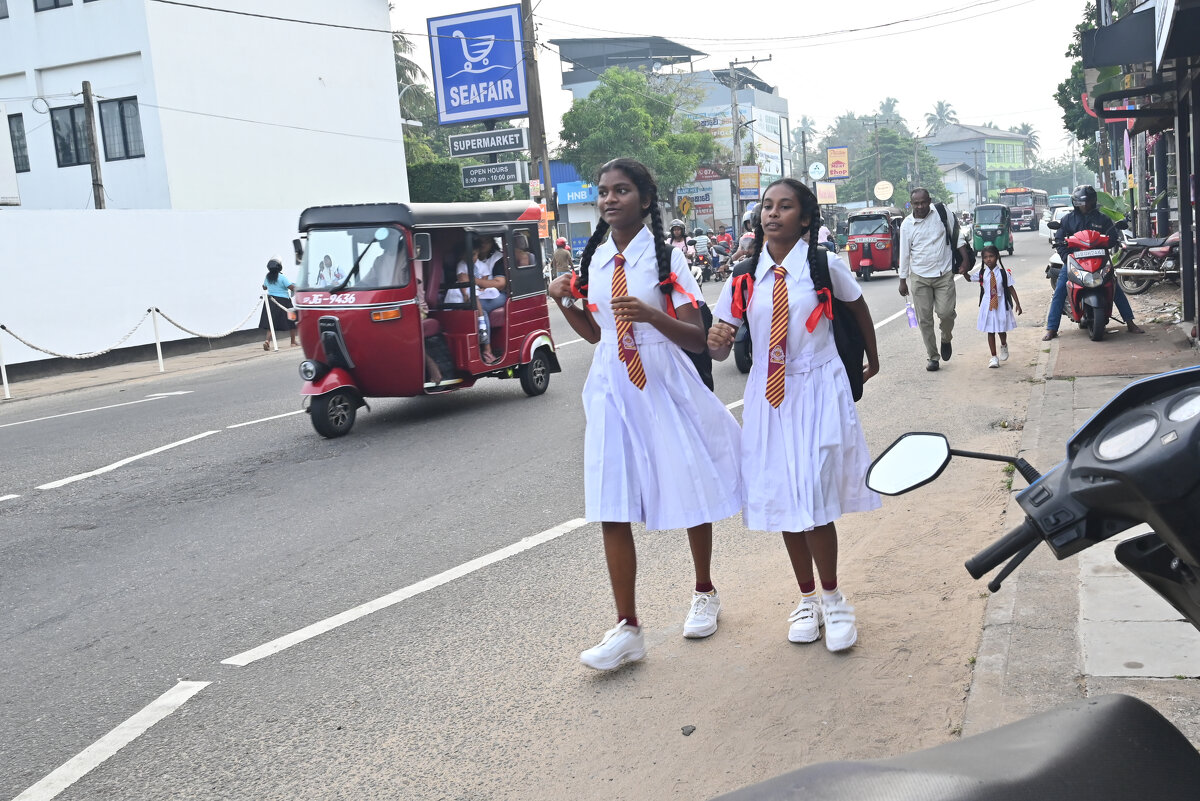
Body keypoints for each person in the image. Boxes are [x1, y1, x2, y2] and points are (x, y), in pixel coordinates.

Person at [546, 158, 743, 671]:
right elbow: (597, 335)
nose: (609, 199)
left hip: (662, 377)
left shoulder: (666, 257)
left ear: (646, 199)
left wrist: (652, 315)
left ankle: (704, 591)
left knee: (688, 482)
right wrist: (565, 304)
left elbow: (697, 338)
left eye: (621, 190)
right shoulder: (593, 259)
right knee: (611, 501)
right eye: (603, 191)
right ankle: (627, 627)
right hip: (611, 384)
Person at [707, 178, 880, 652]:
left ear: (804, 218)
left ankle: (834, 598)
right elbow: (721, 341)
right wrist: (716, 342)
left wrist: (873, 358)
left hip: (818, 386)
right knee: (785, 493)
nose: (772, 213)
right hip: (769, 393)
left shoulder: (824, 265)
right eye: (767, 205)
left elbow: (857, 308)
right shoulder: (744, 275)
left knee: (815, 491)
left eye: (785, 207)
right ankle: (807, 599)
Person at [1043, 185, 1143, 341]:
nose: (1084, 206)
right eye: (1081, 203)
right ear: (1075, 203)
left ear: (1093, 201)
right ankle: (1051, 328)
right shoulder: (1068, 220)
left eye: (1087, 202)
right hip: (1075, 262)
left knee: (1114, 287)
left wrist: (1111, 240)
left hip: (1099, 261)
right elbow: (1059, 240)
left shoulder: (1102, 219)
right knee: (1060, 290)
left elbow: (1112, 237)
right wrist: (1067, 258)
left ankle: (1130, 322)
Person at [898, 188, 973, 372]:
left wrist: (965, 260)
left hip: (943, 274)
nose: (920, 206)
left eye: (923, 202)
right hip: (919, 277)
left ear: (929, 201)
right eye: (916, 203)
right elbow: (904, 253)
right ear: (911, 204)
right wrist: (902, 280)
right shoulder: (907, 225)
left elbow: (956, 235)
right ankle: (933, 357)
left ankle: (946, 338)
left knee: (946, 313)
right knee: (924, 320)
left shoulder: (941, 212)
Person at [443, 240, 497, 364]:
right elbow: (462, 281)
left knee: (484, 293)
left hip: (479, 290)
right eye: (468, 255)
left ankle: (481, 324)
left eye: (474, 254)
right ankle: (482, 323)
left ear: (478, 253)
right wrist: (465, 294)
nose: (471, 258)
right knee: (472, 294)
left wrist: (480, 287)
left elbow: (484, 280)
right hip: (464, 289)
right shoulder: (462, 265)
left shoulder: (482, 265)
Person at [970, 245, 1023, 368]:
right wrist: (964, 271)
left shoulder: (1004, 274)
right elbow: (969, 278)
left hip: (1001, 304)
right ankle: (994, 357)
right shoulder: (982, 273)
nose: (988, 259)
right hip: (987, 305)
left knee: (1001, 329)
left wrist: (1018, 304)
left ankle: (1003, 345)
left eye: (991, 256)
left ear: (997, 257)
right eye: (985, 257)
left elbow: (1011, 288)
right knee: (990, 330)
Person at [473, 237, 507, 362]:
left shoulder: (497, 258)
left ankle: (487, 350)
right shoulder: (471, 258)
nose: (483, 245)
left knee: (480, 308)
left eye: (486, 242)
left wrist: (473, 281)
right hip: (478, 293)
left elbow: (500, 283)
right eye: (480, 242)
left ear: (492, 243)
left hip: (497, 295)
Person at [259, 258, 297, 349]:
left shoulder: (268, 277)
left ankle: (267, 341)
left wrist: (267, 286)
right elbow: (291, 287)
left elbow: (264, 287)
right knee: (292, 320)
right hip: (284, 301)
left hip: (271, 301)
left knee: (271, 322)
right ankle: (293, 342)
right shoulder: (282, 277)